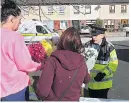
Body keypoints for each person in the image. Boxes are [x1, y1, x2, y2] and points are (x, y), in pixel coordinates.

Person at [1, 0, 41, 101]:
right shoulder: (15, 37)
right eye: (19, 19)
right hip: (15, 89)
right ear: (12, 19)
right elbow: (25, 64)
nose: (20, 23)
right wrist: (40, 65)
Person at [36, 27, 90, 101]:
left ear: (61, 41)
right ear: (78, 43)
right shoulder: (81, 62)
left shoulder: (52, 61)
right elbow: (87, 80)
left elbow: (42, 91)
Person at [83, 25, 118, 99]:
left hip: (104, 84)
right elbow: (82, 60)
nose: (93, 37)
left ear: (102, 35)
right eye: (92, 35)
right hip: (91, 84)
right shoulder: (87, 45)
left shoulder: (109, 47)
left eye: (95, 35)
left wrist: (103, 74)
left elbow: (114, 64)